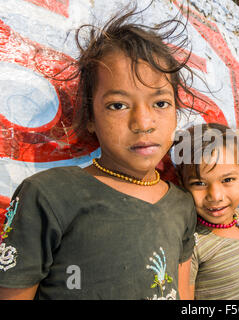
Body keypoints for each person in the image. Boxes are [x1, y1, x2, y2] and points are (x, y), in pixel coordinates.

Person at [0, 4, 198, 300]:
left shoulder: (182, 204)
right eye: (118, 105)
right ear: (90, 118)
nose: (143, 123)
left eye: (160, 103)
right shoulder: (48, 195)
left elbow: (183, 294)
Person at [173, 123, 239, 299]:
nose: (215, 196)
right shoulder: (191, 244)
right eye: (199, 183)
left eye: (228, 179)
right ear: (182, 183)